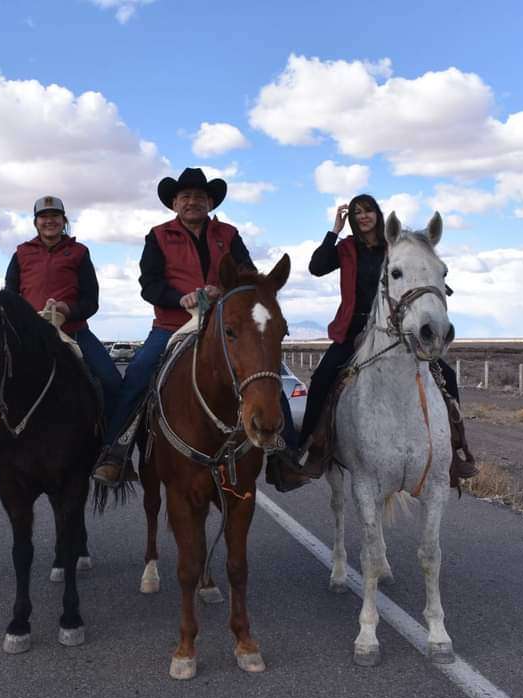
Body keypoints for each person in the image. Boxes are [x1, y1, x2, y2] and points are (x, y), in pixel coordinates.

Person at [89, 168, 310, 492]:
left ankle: (283, 455)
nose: (192, 202)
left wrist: (227, 290)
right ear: (175, 203)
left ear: (210, 202)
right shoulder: (158, 235)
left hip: (223, 320)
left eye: (199, 197)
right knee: (138, 373)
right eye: (185, 197)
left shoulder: (229, 234)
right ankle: (115, 451)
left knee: (267, 372)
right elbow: (149, 284)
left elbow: (247, 273)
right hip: (173, 322)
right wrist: (181, 297)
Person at [295, 194, 477, 482]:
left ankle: (455, 451)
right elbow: (316, 267)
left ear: (378, 215)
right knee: (321, 379)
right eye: (357, 213)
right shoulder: (346, 248)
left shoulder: (393, 249)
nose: (363, 216)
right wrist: (334, 230)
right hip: (353, 330)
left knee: (447, 377)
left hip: (394, 330)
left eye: (368, 211)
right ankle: (308, 449)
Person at [0, 195, 120, 481]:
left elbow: (91, 300)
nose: (49, 221)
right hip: (29, 333)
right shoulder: (22, 253)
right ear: (36, 222)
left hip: (73, 329)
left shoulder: (79, 252)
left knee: (111, 380)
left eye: (55, 216)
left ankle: (110, 449)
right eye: (43, 217)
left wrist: (67, 309)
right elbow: (8, 297)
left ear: (64, 220)